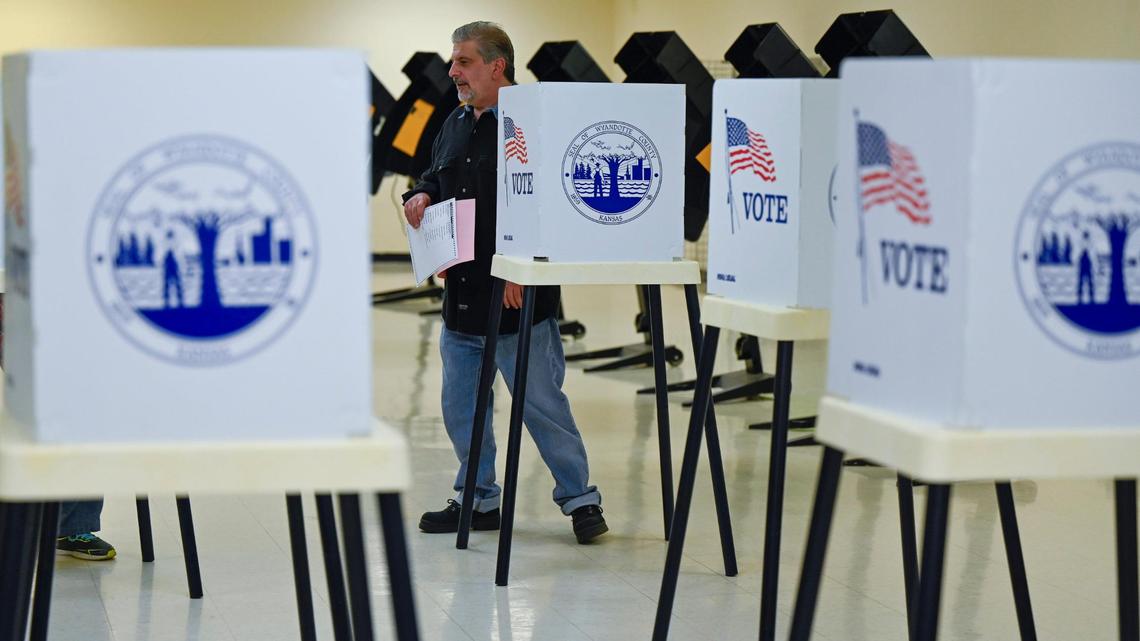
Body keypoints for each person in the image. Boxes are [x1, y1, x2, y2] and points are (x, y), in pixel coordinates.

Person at [403, 21, 607, 544]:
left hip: (520, 298)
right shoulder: (454, 122)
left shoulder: (534, 123)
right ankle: (478, 500)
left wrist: (523, 264)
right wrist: (421, 195)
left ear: (497, 66)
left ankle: (581, 500)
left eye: (463, 62)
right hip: (464, 298)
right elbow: (435, 173)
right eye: (454, 62)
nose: (453, 72)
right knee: (462, 409)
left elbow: (558, 201)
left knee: (541, 405)